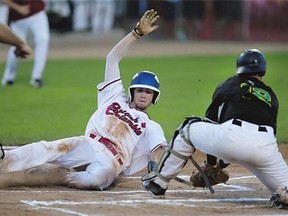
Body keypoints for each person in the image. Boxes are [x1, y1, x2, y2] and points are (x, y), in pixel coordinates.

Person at [0, 9, 167, 190]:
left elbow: (157, 148)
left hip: (111, 160)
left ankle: (59, 174)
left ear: (154, 97)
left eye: (148, 92)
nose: (143, 94)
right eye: (140, 90)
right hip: (89, 144)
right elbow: (112, 59)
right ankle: (4, 160)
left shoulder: (151, 126)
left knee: (94, 180)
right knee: (48, 148)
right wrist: (136, 33)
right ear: (132, 91)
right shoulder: (114, 95)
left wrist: (154, 167)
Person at [142, 49, 288, 209]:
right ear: (263, 70)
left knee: (187, 127)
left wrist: (212, 165)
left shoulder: (231, 83)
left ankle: (158, 182)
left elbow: (211, 122)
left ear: (240, 68)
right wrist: (220, 165)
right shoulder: (271, 95)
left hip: (231, 137)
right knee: (284, 187)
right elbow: (266, 133)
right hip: (266, 149)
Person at [1, 0, 50, 88]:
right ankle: (8, 77)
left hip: (37, 11)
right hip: (18, 16)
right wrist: (17, 7)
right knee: (16, 45)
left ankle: (36, 77)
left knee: (43, 39)